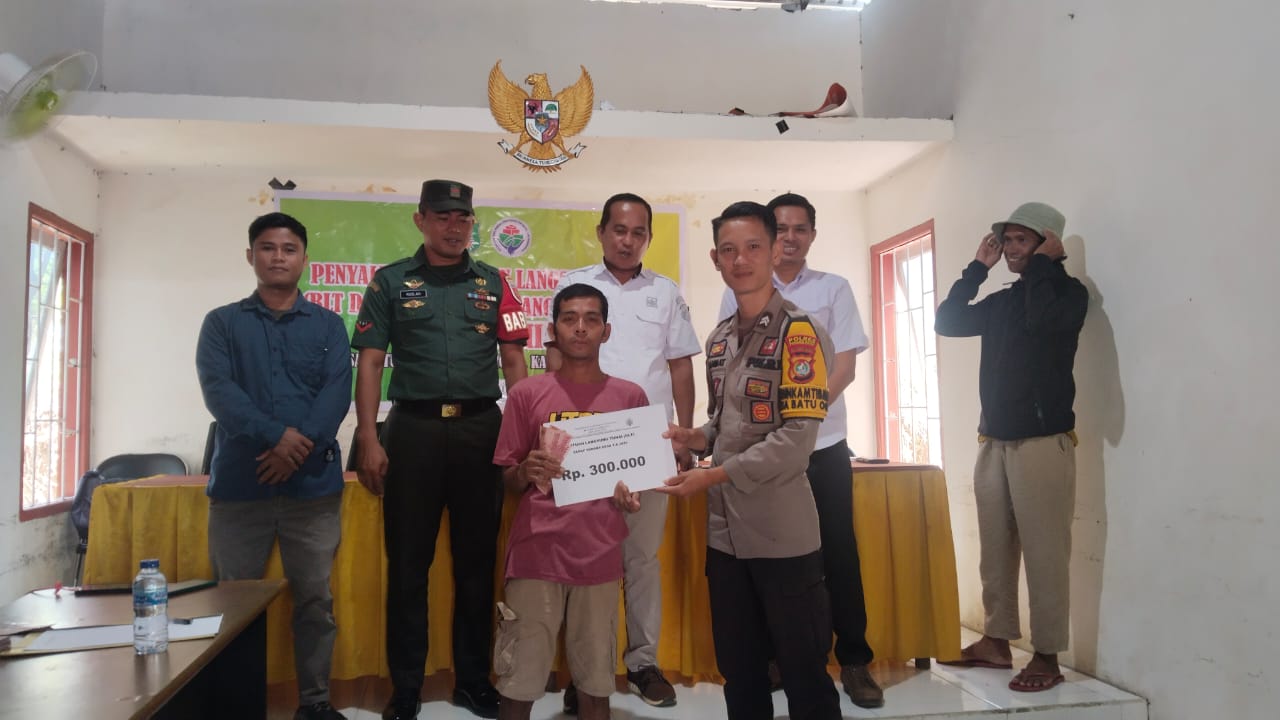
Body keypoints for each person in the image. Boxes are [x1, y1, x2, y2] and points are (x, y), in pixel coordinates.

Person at [350, 179, 530, 720]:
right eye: (444, 216)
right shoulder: (389, 282)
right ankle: (406, 688)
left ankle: (473, 682)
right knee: (408, 566)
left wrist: (522, 436)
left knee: (477, 565)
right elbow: (371, 362)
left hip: (481, 431)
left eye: (464, 217)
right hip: (413, 432)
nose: (455, 227)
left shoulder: (495, 282)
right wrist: (367, 437)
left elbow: (514, 362)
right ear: (421, 220)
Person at [662, 201, 841, 720]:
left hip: (781, 535)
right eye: (728, 250)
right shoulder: (719, 340)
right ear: (716, 259)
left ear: (774, 250)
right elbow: (725, 424)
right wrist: (694, 438)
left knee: (804, 674)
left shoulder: (799, 333)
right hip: (725, 538)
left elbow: (797, 439)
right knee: (739, 672)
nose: (740, 260)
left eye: (753, 247)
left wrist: (714, 474)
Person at [717, 192, 882, 707]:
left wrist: (799, 419)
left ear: (810, 235)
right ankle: (774, 659)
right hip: (756, 452)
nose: (789, 238)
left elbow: (844, 367)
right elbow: (730, 370)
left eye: (799, 229)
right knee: (761, 560)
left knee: (835, 551)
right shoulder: (736, 294)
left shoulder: (831, 290)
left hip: (821, 444)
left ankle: (852, 659)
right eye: (781, 229)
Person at [195, 212, 352, 720]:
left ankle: (315, 703)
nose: (278, 257)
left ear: (304, 259)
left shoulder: (328, 325)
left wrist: (294, 450)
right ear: (251, 256)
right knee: (233, 601)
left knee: (315, 601)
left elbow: (336, 394)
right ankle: (235, 705)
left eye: (288, 249)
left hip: (313, 492)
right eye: (267, 248)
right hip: (241, 489)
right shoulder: (222, 324)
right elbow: (220, 392)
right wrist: (276, 438)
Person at [548, 193, 700, 711]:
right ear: (601, 232)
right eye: (619, 229)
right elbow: (555, 363)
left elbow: (680, 366)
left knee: (640, 559)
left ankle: (642, 664)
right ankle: (585, 671)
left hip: (650, 444)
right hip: (587, 443)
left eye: (638, 232)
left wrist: (683, 435)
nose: (627, 240)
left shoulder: (666, 292)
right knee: (586, 561)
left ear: (648, 238)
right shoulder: (575, 286)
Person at [934, 202, 1088, 693]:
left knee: (1045, 553)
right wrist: (976, 270)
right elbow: (948, 321)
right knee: (995, 550)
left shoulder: (1069, 295)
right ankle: (996, 641)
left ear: (1049, 244)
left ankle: (1047, 655)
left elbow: (1042, 321)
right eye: (1008, 241)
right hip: (994, 440)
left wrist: (1043, 266)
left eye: (1023, 240)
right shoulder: (1002, 301)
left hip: (1043, 443)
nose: (1012, 249)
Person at [492, 283, 650, 720]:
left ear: (606, 331)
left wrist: (630, 495)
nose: (580, 328)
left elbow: (636, 481)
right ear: (553, 330)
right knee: (519, 685)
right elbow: (507, 477)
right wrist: (525, 470)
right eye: (569, 319)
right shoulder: (526, 394)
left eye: (591, 319)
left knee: (596, 687)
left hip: (599, 556)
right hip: (536, 552)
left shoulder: (630, 397)